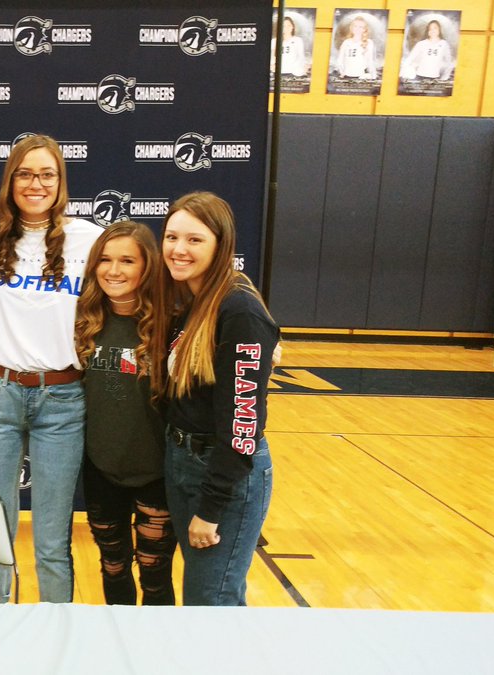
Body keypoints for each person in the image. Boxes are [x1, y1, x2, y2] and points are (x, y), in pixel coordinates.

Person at [0, 134, 102, 603]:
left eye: (47, 173)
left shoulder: (88, 238)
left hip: (63, 398)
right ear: (10, 181)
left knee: (51, 537)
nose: (36, 183)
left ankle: (55, 633)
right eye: (25, 173)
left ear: (61, 182)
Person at [161, 191, 280, 606]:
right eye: (172, 237)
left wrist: (211, 508)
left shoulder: (240, 311)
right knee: (214, 597)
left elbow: (243, 424)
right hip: (182, 461)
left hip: (224, 475)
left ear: (220, 244)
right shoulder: (191, 301)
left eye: (194, 240)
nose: (179, 249)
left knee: (210, 603)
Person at [74, 221, 176, 605]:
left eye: (127, 261)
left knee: (155, 572)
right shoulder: (82, 321)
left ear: (147, 266)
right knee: (112, 565)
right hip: (103, 469)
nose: (113, 270)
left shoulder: (172, 323)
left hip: (159, 472)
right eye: (105, 259)